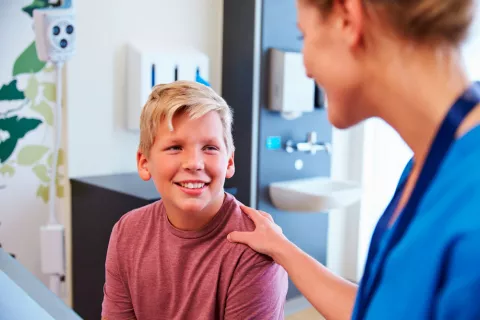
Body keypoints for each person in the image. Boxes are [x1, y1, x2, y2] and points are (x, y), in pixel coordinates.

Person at [227, 0, 480, 319]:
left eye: (303, 37)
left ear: (347, 19)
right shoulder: (427, 166)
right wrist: (281, 247)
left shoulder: (470, 208)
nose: (305, 68)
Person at [101, 81, 288, 320]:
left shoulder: (255, 249)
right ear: (144, 163)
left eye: (209, 147)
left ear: (229, 162)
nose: (194, 163)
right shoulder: (126, 232)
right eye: (175, 147)